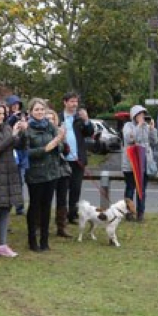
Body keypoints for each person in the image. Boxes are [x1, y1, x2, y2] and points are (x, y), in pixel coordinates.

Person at [0, 101, 27, 259]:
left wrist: (22, 133)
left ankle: (3, 244)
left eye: (3, 113)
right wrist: (12, 136)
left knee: (6, 208)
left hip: (9, 173)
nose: (2, 116)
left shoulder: (8, 128)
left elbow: (18, 145)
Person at [24, 98, 65, 252]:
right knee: (35, 206)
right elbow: (26, 152)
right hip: (35, 173)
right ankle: (32, 240)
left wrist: (58, 144)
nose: (40, 112)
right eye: (37, 110)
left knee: (47, 206)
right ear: (31, 112)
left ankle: (44, 240)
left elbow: (60, 145)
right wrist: (45, 149)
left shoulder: (51, 126)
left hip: (52, 172)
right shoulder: (27, 129)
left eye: (42, 109)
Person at [55, 92, 94, 231]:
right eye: (71, 101)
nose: (74, 104)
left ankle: (72, 215)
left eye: (76, 102)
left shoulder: (79, 118)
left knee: (75, 189)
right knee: (62, 190)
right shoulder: (58, 118)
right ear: (65, 102)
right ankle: (61, 218)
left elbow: (89, 132)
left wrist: (87, 120)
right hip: (63, 160)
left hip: (78, 160)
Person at [121, 105, 158, 223]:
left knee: (141, 190)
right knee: (130, 189)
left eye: (143, 114)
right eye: (139, 114)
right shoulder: (128, 126)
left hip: (144, 164)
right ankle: (128, 213)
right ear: (134, 116)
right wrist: (138, 126)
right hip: (130, 164)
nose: (142, 117)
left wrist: (152, 129)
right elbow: (129, 139)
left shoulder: (146, 127)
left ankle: (140, 214)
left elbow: (154, 141)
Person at [45, 108, 73, 238]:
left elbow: (66, 152)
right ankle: (41, 225)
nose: (50, 121)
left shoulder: (60, 133)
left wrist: (63, 140)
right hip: (47, 170)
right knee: (45, 199)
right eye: (47, 118)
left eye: (52, 118)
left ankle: (62, 226)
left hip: (62, 170)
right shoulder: (42, 133)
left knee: (62, 200)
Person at [5, 95, 29, 216]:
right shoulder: (6, 117)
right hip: (12, 151)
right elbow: (6, 128)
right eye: (13, 104)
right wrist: (13, 118)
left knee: (20, 180)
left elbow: (27, 134)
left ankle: (19, 207)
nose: (15, 107)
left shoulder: (23, 116)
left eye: (17, 104)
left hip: (22, 151)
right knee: (11, 180)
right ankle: (9, 206)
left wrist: (24, 123)